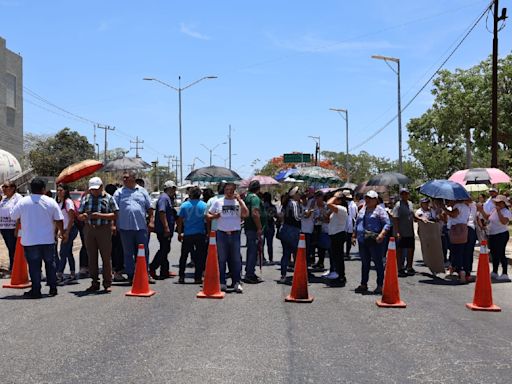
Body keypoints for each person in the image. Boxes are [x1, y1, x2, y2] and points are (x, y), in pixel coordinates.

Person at [10, 178, 66, 299]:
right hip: (47, 239)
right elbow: (59, 219)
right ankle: (53, 288)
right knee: (50, 264)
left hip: (30, 240)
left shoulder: (23, 202)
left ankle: (36, 290)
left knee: (34, 266)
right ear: (43, 189)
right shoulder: (50, 201)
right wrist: (62, 232)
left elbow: (13, 216)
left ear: (30, 189)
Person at [78, 177, 118, 292]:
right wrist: (83, 216)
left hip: (104, 229)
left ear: (101, 187)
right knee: (92, 257)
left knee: (106, 257)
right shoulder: (86, 198)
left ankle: (107, 282)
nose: (94, 191)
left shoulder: (109, 198)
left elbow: (115, 214)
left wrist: (100, 216)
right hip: (89, 229)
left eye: (96, 189)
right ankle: (94, 282)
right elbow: (79, 214)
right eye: (92, 189)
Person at [207, 182, 248, 293]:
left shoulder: (238, 202)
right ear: (224, 191)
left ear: (235, 191)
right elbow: (208, 215)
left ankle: (236, 282)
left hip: (235, 233)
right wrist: (215, 216)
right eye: (227, 190)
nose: (229, 192)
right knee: (221, 259)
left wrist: (240, 201)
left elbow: (245, 214)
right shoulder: (218, 202)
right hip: (222, 233)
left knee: (236, 259)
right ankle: (222, 282)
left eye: (231, 190)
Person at [113, 171, 153, 283]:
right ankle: (131, 275)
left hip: (141, 227)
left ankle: (145, 274)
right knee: (128, 253)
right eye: (123, 178)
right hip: (125, 228)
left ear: (133, 178)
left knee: (143, 251)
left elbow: (150, 208)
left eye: (126, 177)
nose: (124, 179)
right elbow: (114, 210)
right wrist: (113, 225)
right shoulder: (119, 192)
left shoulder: (142, 191)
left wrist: (151, 222)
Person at [353, 190, 390, 295]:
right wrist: (353, 235)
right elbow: (357, 222)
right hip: (363, 240)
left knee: (378, 263)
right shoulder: (362, 210)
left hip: (375, 240)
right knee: (365, 263)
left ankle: (380, 285)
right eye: (366, 198)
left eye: (370, 198)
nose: (367, 200)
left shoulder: (380, 210)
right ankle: (363, 284)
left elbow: (387, 224)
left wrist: (382, 235)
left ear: (376, 200)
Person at [176, 186, 207, 284]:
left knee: (184, 256)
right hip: (200, 233)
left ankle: (181, 276)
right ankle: (198, 277)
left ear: (190, 194)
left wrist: (180, 232)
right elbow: (207, 220)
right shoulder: (204, 205)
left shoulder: (185, 205)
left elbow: (180, 220)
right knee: (200, 256)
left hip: (188, 234)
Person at [477, 194, 511, 281]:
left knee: (501, 253)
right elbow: (487, 218)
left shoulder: (506, 212)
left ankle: (504, 273)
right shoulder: (493, 210)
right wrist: (481, 210)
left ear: (504, 204)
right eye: (496, 202)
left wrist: (499, 211)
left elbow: (503, 222)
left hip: (501, 234)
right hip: (492, 234)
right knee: (494, 253)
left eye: (500, 203)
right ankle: (495, 271)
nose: (498, 204)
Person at [149, 180, 177, 279]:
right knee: (164, 249)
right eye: (173, 188)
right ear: (168, 188)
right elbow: (162, 212)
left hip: (166, 229)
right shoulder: (164, 198)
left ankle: (164, 271)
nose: (174, 190)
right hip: (163, 229)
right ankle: (152, 267)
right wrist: (166, 227)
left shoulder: (168, 198)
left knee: (165, 249)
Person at [441, 199, 470, 283]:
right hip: (463, 228)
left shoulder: (458, 206)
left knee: (456, 251)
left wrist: (444, 208)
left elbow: (453, 214)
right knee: (459, 251)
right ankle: (455, 268)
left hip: (457, 229)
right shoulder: (465, 207)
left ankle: (461, 272)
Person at [56, 184, 79, 281]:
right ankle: (73, 273)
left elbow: (71, 218)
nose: (59, 192)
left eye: (61, 190)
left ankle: (59, 274)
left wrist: (67, 232)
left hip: (70, 229)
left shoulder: (68, 202)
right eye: (58, 190)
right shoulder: (59, 203)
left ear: (65, 191)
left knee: (63, 252)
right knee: (68, 252)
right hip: (64, 230)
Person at [279, 186, 302, 283]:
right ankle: (297, 276)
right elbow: (297, 217)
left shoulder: (286, 203)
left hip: (285, 229)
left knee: (285, 254)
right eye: (298, 193)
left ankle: (283, 276)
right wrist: (305, 214)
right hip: (293, 231)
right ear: (294, 194)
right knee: (296, 254)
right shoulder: (294, 203)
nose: (299, 195)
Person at [243, 180, 264, 284]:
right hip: (254, 229)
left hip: (249, 228)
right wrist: (259, 228)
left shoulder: (247, 197)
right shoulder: (254, 198)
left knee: (251, 251)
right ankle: (250, 274)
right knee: (253, 252)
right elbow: (255, 213)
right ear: (258, 188)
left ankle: (249, 272)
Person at [326, 191, 348, 286]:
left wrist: (335, 196)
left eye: (337, 199)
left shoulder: (342, 208)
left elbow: (328, 203)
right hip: (334, 235)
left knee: (339, 258)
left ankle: (341, 277)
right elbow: (328, 219)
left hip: (338, 235)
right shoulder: (336, 210)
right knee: (335, 257)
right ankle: (338, 275)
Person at [0, 181, 22, 277]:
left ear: (13, 188)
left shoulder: (18, 198)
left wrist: (17, 229)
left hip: (13, 228)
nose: (3, 188)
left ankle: (15, 270)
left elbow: (20, 215)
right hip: (4, 228)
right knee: (10, 249)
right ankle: (12, 268)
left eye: (6, 186)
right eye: (3, 187)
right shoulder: (4, 199)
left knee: (14, 249)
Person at [392, 188, 416, 277]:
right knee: (400, 250)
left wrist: (420, 218)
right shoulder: (398, 205)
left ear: (408, 194)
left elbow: (412, 214)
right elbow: (395, 218)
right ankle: (399, 268)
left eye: (406, 194)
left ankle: (409, 267)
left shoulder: (410, 204)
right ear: (400, 195)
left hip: (410, 231)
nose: (404, 195)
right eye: (402, 194)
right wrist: (397, 231)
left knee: (411, 249)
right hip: (401, 231)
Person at [105, 184, 125, 282]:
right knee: (118, 250)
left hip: (109, 228)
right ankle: (117, 270)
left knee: (112, 250)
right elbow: (115, 214)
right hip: (116, 227)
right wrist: (114, 225)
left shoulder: (107, 199)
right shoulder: (112, 200)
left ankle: (113, 269)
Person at [261, 192, 278, 265]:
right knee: (270, 244)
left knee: (262, 244)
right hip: (270, 226)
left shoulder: (261, 206)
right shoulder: (273, 207)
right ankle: (270, 259)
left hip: (262, 226)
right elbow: (275, 215)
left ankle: (262, 258)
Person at [300, 193, 315, 266]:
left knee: (309, 248)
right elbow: (306, 215)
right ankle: (304, 262)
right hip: (303, 230)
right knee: (304, 248)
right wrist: (310, 210)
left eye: (305, 199)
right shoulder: (300, 207)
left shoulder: (309, 206)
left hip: (310, 230)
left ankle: (308, 261)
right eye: (303, 199)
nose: (304, 200)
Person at [343, 190, 357, 261]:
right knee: (348, 239)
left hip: (346, 223)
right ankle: (347, 253)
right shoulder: (353, 204)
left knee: (344, 239)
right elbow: (354, 215)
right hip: (350, 223)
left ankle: (345, 253)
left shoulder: (344, 204)